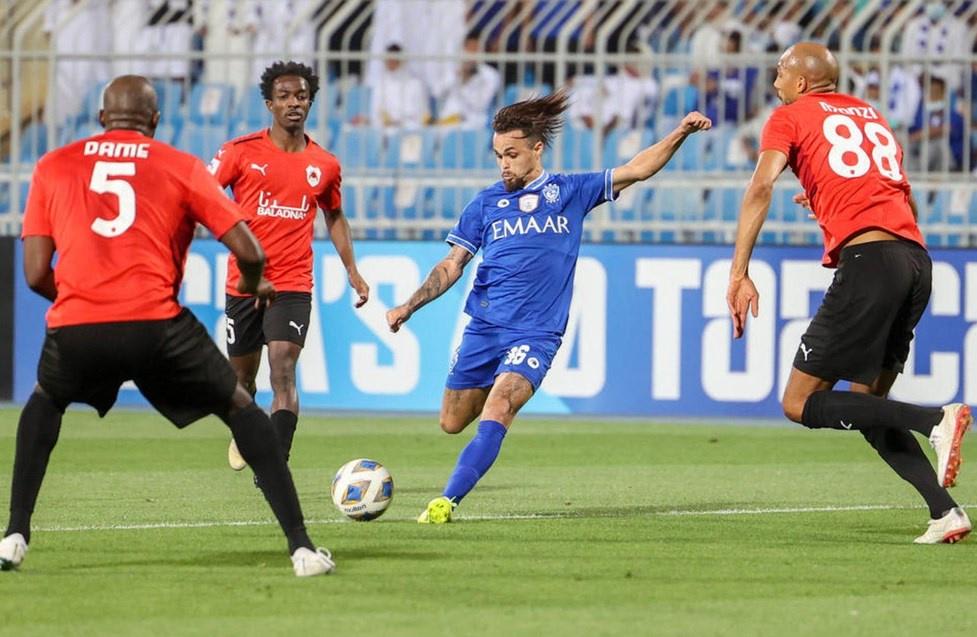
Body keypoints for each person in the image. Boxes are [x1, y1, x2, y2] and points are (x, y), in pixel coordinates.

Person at [0, 76, 334, 576]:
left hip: (77, 325)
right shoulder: (178, 166)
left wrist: (81, 300)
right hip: (156, 325)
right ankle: (302, 549)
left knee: (45, 401)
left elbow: (33, 272)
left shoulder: (54, 165)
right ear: (155, 122)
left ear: (99, 120)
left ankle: (13, 536)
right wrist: (256, 283)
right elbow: (249, 249)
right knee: (241, 406)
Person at [385, 91, 711, 523]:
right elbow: (452, 264)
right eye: (498, 155)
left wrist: (680, 133)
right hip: (484, 327)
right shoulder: (484, 204)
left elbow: (638, 169)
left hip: (537, 333)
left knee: (501, 403)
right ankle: (491, 417)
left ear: (537, 149)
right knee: (451, 421)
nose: (504, 164)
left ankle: (446, 502)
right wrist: (410, 305)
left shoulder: (571, 191)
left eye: (512, 154)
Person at [725, 43, 973, 545]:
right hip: (914, 260)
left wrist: (738, 272)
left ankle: (936, 419)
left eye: (779, 73)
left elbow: (760, 186)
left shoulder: (790, 115)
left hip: (870, 267)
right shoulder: (871, 115)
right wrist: (825, 198)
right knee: (867, 404)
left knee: (799, 403)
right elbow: (894, 193)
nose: (774, 81)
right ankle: (945, 512)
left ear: (800, 81)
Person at [209, 61, 369, 473]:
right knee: (242, 382)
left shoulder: (325, 164)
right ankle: (243, 428)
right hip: (244, 283)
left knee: (283, 369)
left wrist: (352, 270)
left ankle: (274, 468)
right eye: (284, 97)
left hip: (292, 283)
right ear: (269, 104)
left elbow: (334, 216)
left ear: (310, 101)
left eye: (301, 95)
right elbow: (206, 197)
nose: (293, 103)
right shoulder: (239, 152)